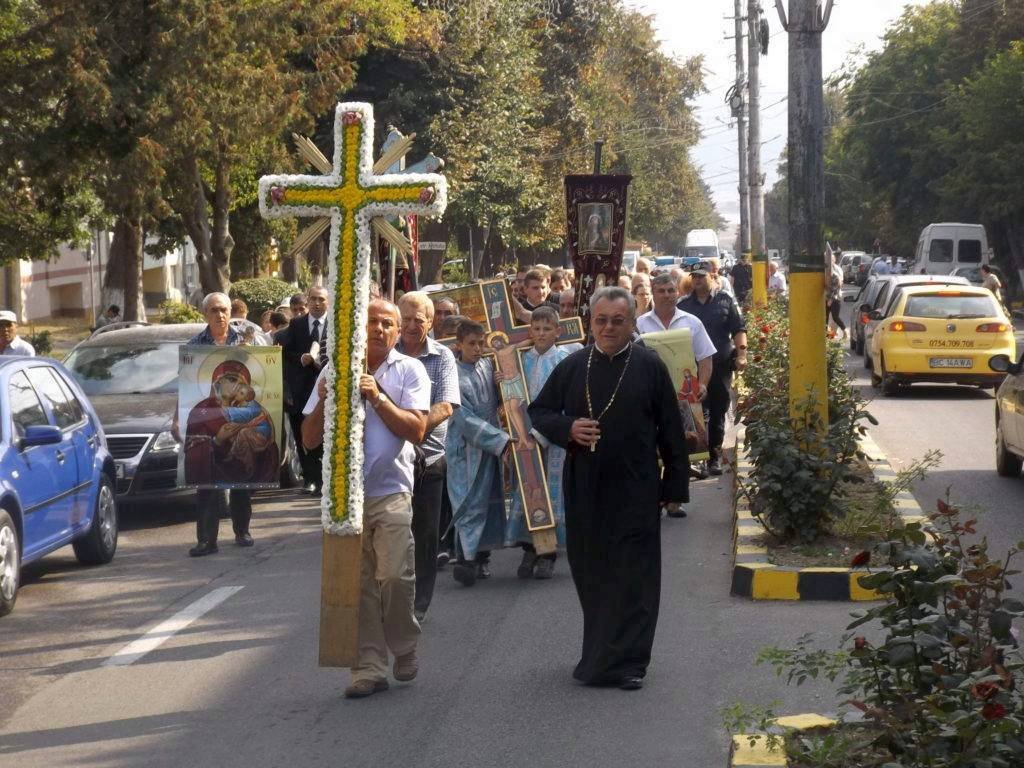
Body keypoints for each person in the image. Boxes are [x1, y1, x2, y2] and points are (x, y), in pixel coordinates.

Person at [528, 287, 689, 690]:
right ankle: (599, 656)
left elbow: (671, 429)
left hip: (637, 487)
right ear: (589, 323)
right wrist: (569, 428)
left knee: (634, 575)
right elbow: (539, 412)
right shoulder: (574, 365)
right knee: (594, 571)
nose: (608, 328)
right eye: (601, 320)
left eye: (618, 321)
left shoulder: (649, 366)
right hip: (587, 486)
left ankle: (631, 663)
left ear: (632, 323)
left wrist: (675, 486)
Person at [301, 299, 430, 699]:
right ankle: (368, 668)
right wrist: (325, 398)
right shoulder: (333, 369)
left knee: (393, 576)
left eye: (386, 323)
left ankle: (404, 645)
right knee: (358, 586)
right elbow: (308, 439)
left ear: (396, 333)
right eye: (371, 321)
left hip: (391, 490)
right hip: (345, 497)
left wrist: (377, 397)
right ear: (357, 327)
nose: (377, 328)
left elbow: (417, 430)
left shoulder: (410, 369)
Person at [174, 293, 256, 557]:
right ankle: (206, 540)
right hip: (211, 419)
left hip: (240, 414)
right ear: (204, 314)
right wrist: (176, 417)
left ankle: (242, 531)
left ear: (231, 311)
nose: (220, 315)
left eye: (224, 310)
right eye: (214, 310)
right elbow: (185, 385)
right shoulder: (195, 345)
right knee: (206, 481)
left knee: (241, 477)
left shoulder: (246, 341)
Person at [395, 292, 460, 621]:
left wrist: (412, 426)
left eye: (417, 320)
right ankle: (395, 597)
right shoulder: (383, 355)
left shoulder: (443, 356)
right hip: (392, 461)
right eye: (404, 319)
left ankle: (420, 602)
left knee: (425, 534)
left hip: (429, 460)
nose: (410, 326)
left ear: (430, 322)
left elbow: (447, 405)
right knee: (393, 531)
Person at [505, 306, 569, 579]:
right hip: (525, 436)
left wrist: (546, 434)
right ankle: (529, 548)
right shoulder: (522, 359)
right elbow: (513, 395)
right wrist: (503, 379)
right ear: (529, 331)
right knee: (528, 491)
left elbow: (567, 401)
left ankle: (548, 553)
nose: (541, 334)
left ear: (558, 331)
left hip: (554, 439)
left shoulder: (564, 360)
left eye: (547, 329)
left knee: (551, 494)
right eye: (537, 329)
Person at [445, 320, 510, 587]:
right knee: (468, 501)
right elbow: (465, 419)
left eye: (481, 343)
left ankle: (481, 556)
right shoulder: (453, 376)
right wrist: (500, 440)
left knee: (489, 500)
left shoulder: (486, 365)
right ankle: (466, 559)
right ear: (458, 345)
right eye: (471, 344)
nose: (478, 348)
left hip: (489, 442)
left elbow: (495, 402)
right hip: (467, 448)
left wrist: (499, 387)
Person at [678, 266, 747, 476]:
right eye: (694, 276)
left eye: (701, 275)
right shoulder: (684, 305)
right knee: (697, 412)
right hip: (692, 368)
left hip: (720, 364)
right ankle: (697, 457)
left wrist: (742, 354)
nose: (697, 279)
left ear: (712, 276)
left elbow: (738, 328)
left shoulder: (724, 300)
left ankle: (714, 458)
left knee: (718, 411)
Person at [282, 286, 329, 494]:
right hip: (301, 392)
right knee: (303, 436)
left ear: (328, 302)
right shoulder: (296, 324)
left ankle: (327, 479)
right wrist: (302, 358)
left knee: (326, 435)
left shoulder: (336, 323)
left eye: (321, 299)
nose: (317, 303)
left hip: (326, 390)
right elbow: (287, 352)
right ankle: (310, 479)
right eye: (313, 299)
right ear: (308, 302)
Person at [826, 260, 847, 339]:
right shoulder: (826, 273)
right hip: (827, 298)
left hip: (835, 298)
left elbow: (836, 289)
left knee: (835, 317)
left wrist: (830, 300)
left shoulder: (835, 275)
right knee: (825, 317)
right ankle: (828, 335)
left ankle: (844, 331)